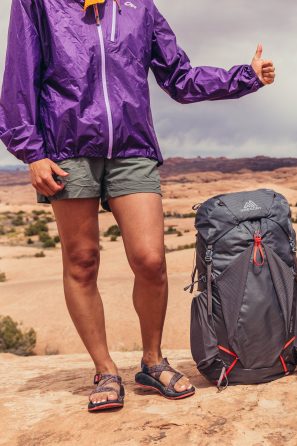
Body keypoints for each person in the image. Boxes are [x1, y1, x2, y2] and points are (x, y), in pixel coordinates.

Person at [0, 0, 275, 412]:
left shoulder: (139, 6)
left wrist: (245, 77)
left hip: (133, 147)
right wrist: (32, 152)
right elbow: (20, 78)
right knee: (82, 260)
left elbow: (179, 77)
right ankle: (105, 370)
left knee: (150, 260)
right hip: (67, 147)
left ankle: (152, 361)